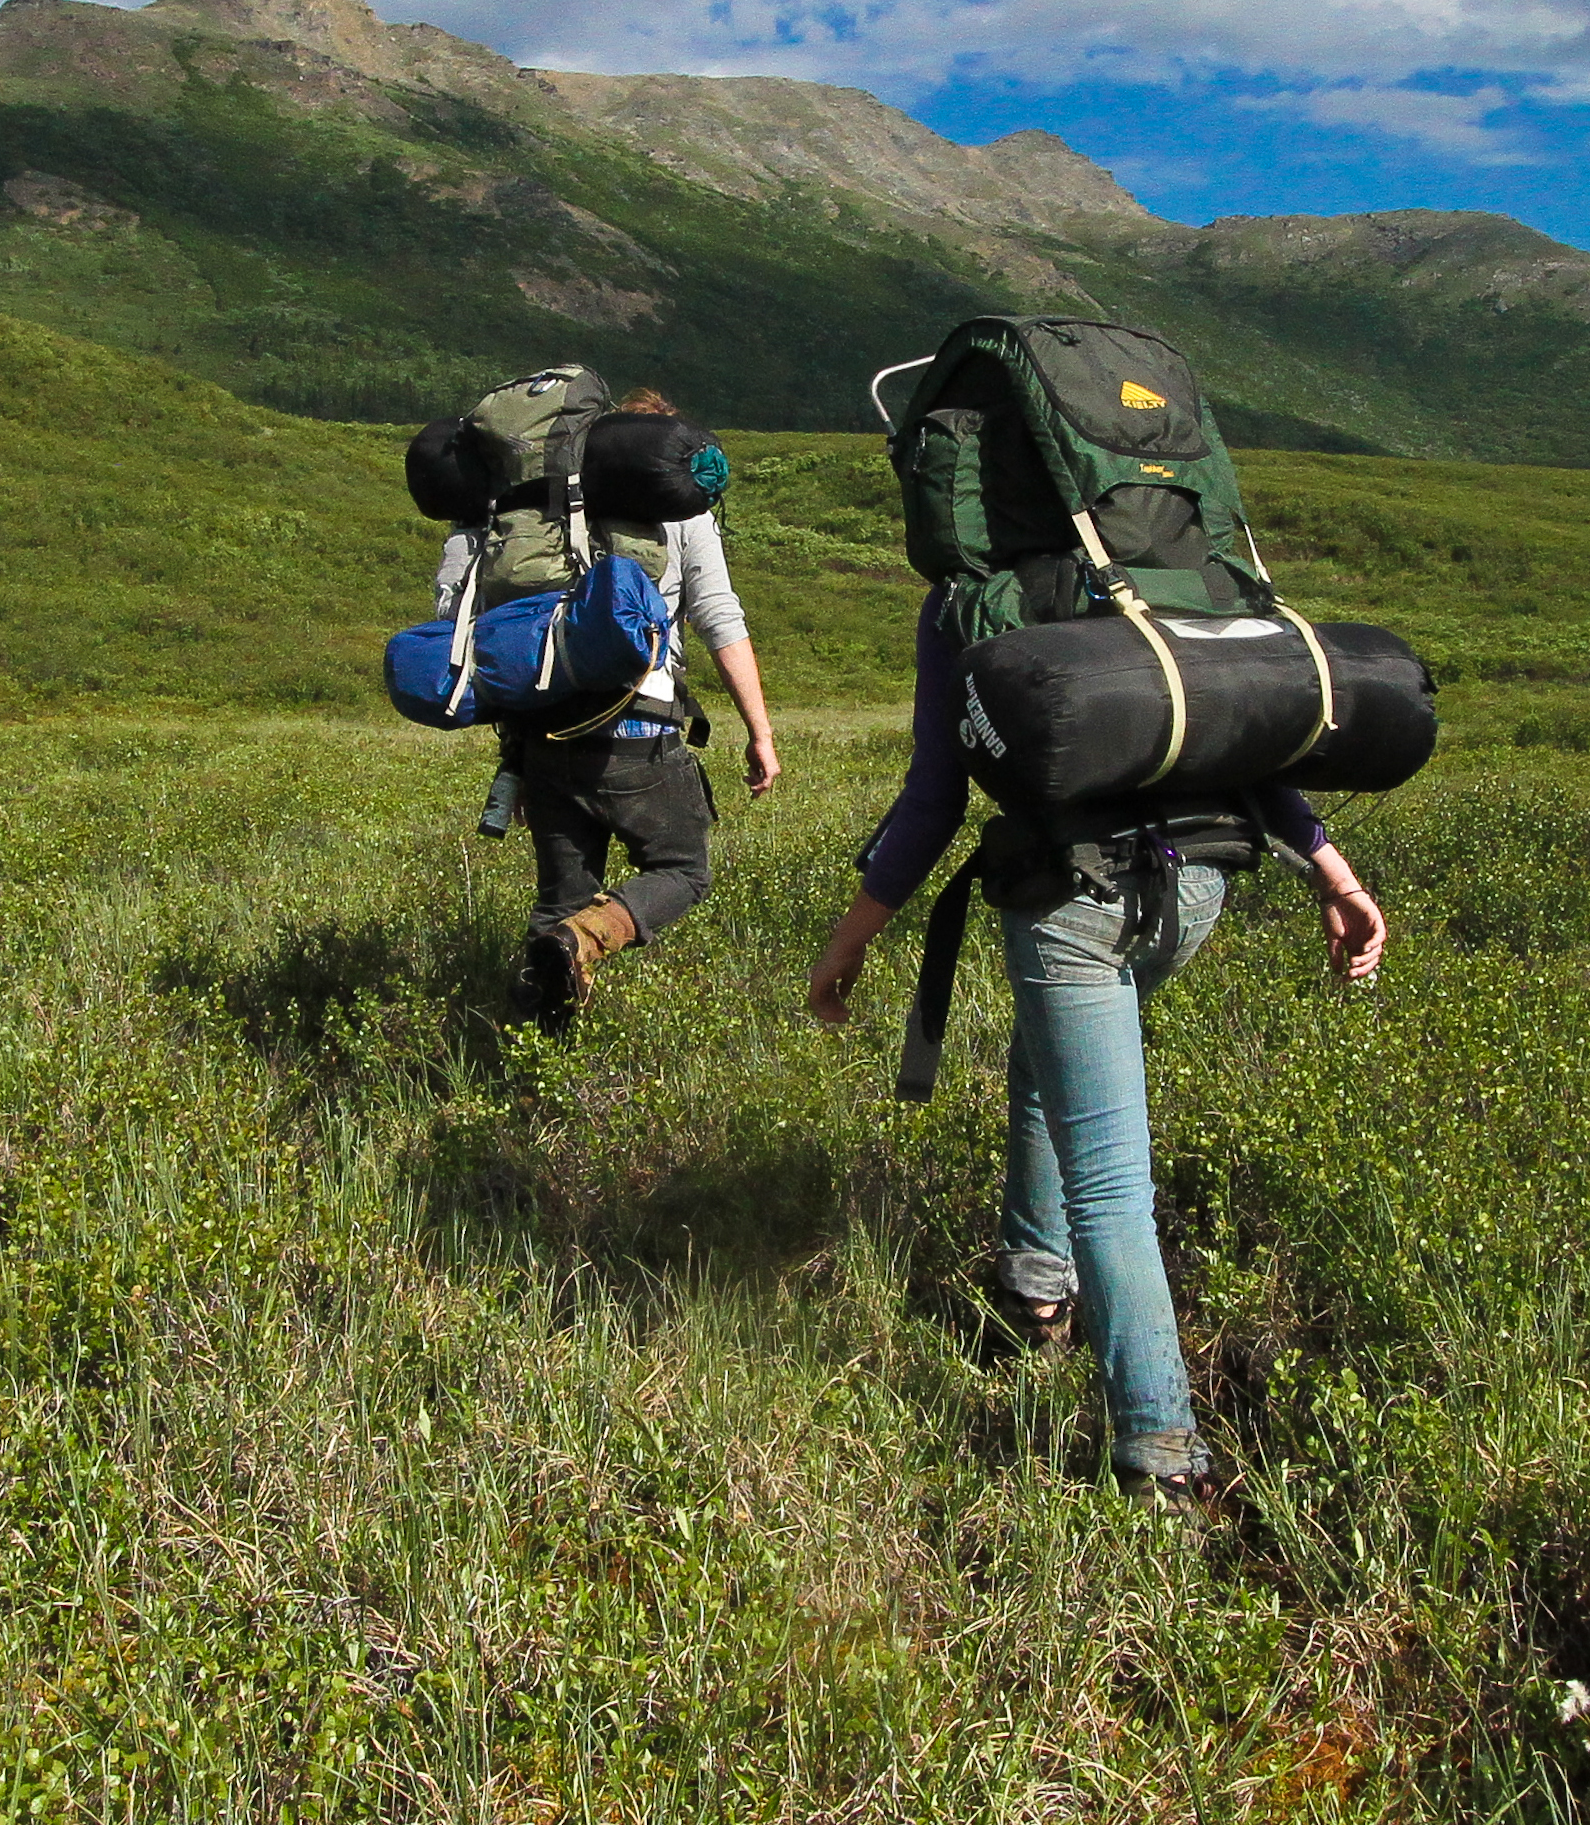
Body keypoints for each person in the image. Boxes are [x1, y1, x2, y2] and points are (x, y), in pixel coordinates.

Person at [800, 591, 1389, 1498]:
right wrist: (1333, 872)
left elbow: (935, 795)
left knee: (1109, 1179)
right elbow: (1239, 730)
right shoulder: (1161, 567)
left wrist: (851, 935)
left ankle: (1160, 1451)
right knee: (1045, 1063)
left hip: (1069, 896)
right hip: (1196, 886)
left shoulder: (968, 595)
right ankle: (1035, 1289)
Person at [431, 388, 784, 1024]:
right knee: (681, 870)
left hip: (543, 736)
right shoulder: (678, 511)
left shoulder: (521, 511)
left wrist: (515, 748)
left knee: (559, 898)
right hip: (639, 730)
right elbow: (717, 616)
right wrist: (759, 730)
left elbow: (468, 619)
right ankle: (583, 941)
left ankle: (535, 1053)